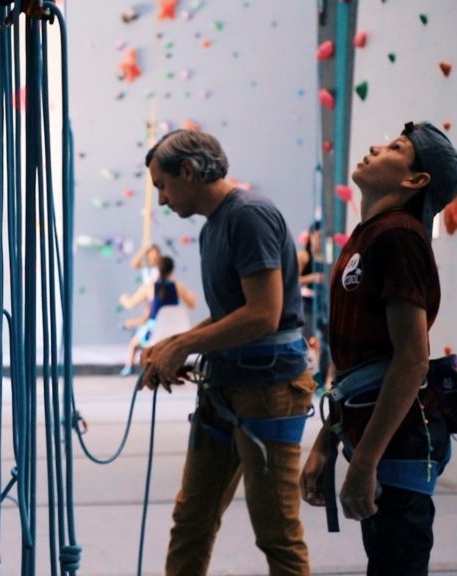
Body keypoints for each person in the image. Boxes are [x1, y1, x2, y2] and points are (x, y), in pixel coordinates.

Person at [137, 129, 316, 575]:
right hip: (227, 388)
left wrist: (183, 344)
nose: (161, 199)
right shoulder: (215, 226)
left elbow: (263, 315)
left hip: (268, 390)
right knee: (192, 520)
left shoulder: (248, 216)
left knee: (277, 534)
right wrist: (169, 347)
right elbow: (229, 315)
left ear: (190, 171)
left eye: (163, 184)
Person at [300, 122, 457, 575]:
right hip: (371, 427)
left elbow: (410, 360)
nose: (375, 146)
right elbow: (359, 365)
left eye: (396, 148)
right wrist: (327, 443)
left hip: (400, 439)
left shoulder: (399, 238)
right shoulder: (368, 235)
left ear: (415, 180)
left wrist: (364, 463)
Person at [120, 255, 196, 376]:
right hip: (177, 330)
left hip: (155, 329)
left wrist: (123, 298)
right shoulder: (178, 286)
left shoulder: (149, 287)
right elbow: (192, 304)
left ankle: (129, 367)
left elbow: (131, 304)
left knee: (134, 343)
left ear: (157, 269)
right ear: (172, 269)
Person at [297, 221, 331, 386]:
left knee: (325, 344)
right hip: (307, 304)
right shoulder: (304, 257)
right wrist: (312, 278)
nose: (320, 240)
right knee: (307, 341)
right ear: (311, 235)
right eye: (318, 236)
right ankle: (305, 379)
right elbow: (291, 280)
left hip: (324, 305)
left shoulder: (327, 258)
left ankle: (322, 379)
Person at [118, 244, 163, 310]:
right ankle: (123, 297)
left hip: (157, 289)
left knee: (153, 308)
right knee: (130, 305)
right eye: (152, 254)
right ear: (148, 255)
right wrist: (142, 250)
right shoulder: (145, 263)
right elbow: (133, 264)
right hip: (146, 288)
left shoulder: (160, 264)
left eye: (156, 254)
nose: (154, 256)